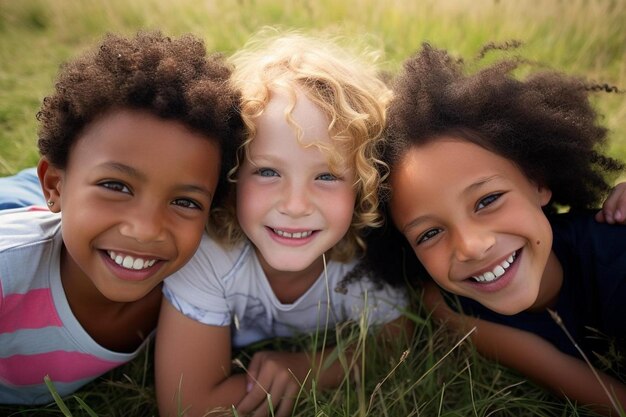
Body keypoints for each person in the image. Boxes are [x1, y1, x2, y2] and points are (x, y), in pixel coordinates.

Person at [155, 32, 410, 417]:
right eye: (269, 171)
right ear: (233, 174)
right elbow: (187, 405)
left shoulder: (364, 261)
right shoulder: (210, 255)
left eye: (326, 177)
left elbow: (396, 341)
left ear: (362, 185)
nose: (294, 205)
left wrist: (309, 369)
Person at [365, 43, 626, 415]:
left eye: (488, 201)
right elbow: (593, 391)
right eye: (429, 234)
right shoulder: (449, 304)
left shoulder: (615, 256)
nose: (471, 246)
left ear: (537, 182)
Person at [0, 31, 243, 405]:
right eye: (116, 185)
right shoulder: (6, 273)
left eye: (185, 201)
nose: (145, 230)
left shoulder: (201, 285)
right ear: (55, 185)